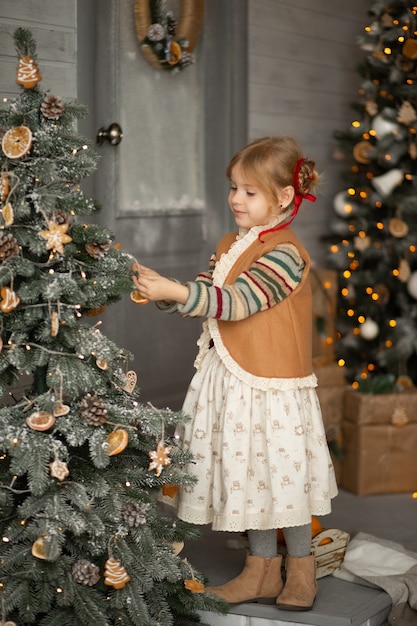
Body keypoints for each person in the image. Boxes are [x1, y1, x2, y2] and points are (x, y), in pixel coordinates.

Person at [132, 136, 338, 611]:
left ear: (283, 197)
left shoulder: (287, 252)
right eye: (233, 188)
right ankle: (260, 570)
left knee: (282, 475)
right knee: (252, 474)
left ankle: (300, 569)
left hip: (272, 385)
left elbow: (240, 302)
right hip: (234, 376)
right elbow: (207, 297)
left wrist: (179, 291)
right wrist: (163, 292)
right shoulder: (230, 243)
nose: (236, 199)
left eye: (250, 191)